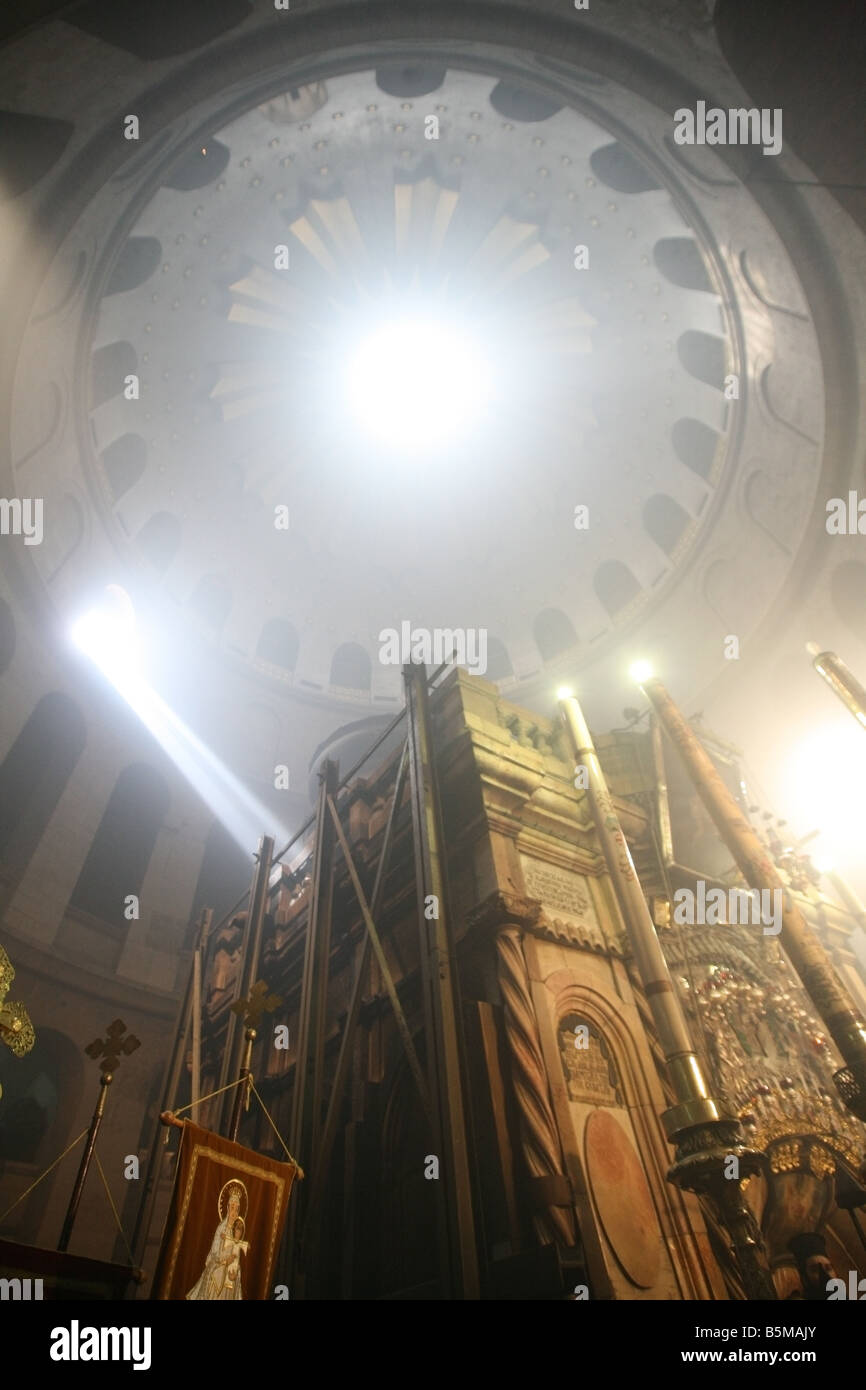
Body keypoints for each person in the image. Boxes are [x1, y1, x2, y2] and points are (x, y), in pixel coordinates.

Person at [186, 1186, 244, 1300]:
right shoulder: (221, 1228)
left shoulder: (238, 1229)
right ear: (228, 1208)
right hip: (218, 1267)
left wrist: (234, 1266)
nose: (234, 1211)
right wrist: (224, 1261)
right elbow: (215, 1252)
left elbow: (237, 1252)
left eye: (237, 1209)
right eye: (232, 1207)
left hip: (231, 1274)